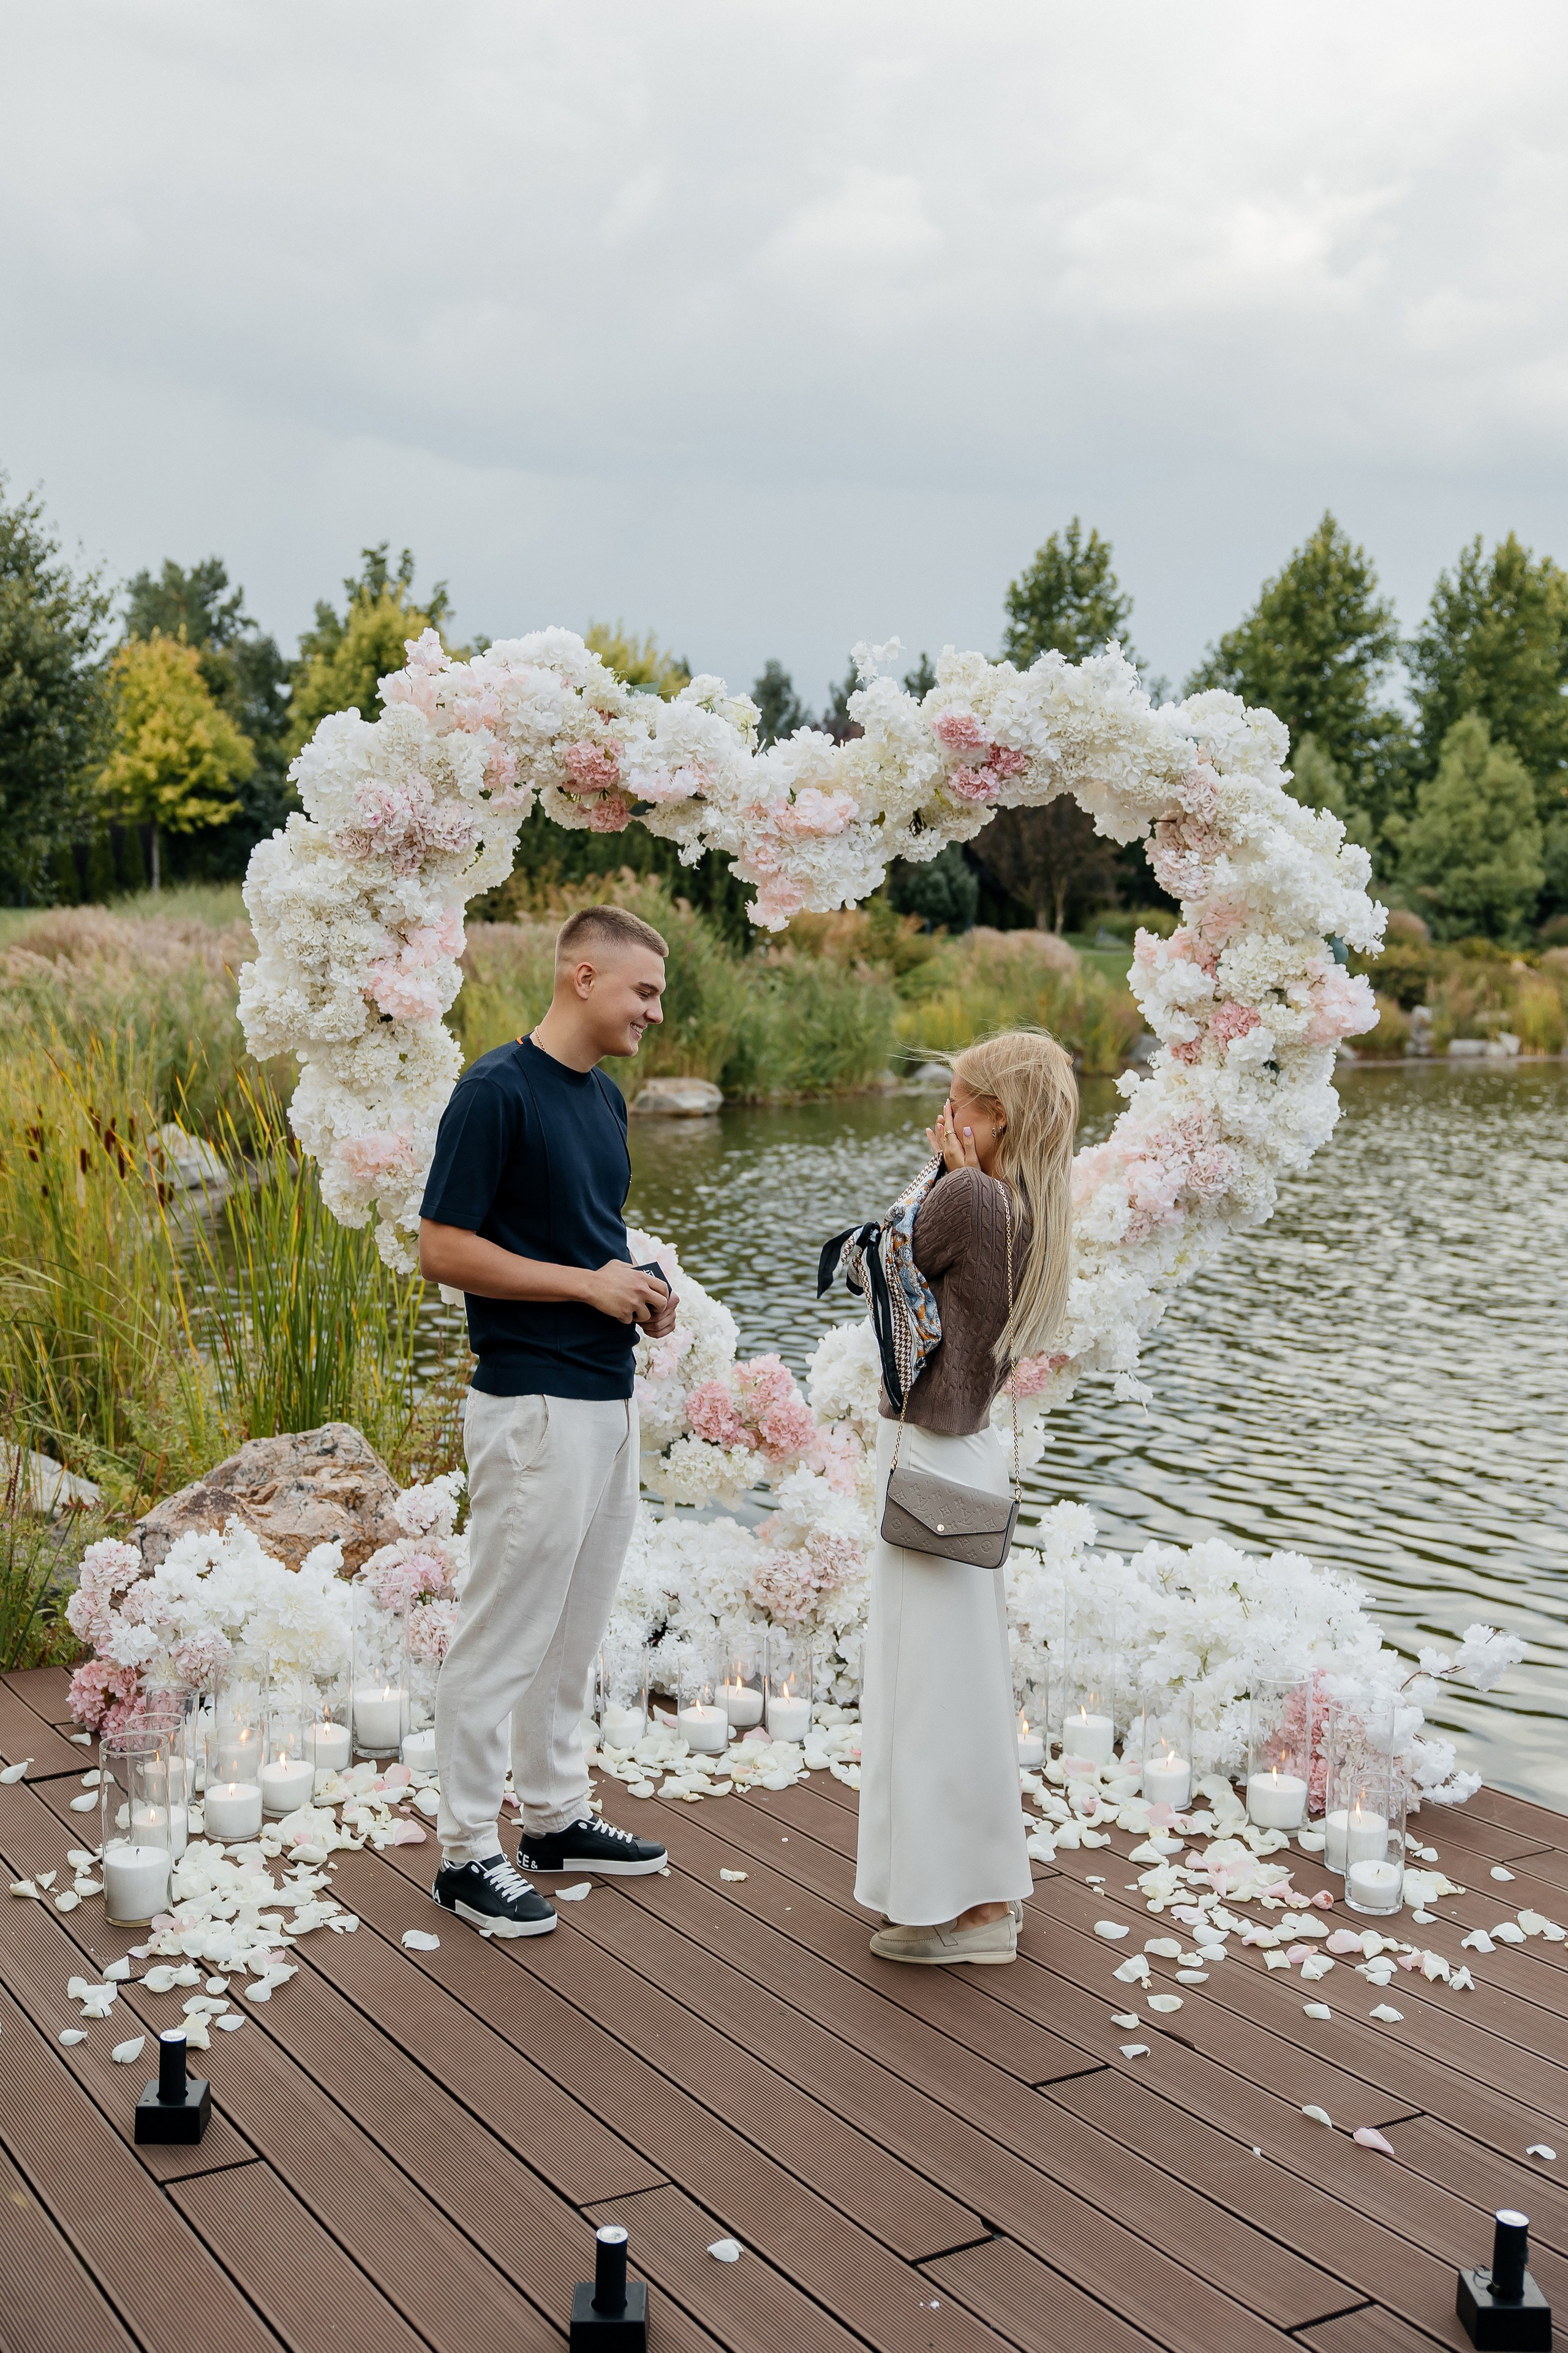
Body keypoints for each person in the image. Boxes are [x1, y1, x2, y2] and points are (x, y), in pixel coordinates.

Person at [417, 904, 679, 1938]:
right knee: (505, 1630)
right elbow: (441, 1248)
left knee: (573, 1627)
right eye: (643, 992)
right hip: (529, 1403)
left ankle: (557, 1817)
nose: (654, 1011)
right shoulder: (494, 1091)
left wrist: (642, 1284)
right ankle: (466, 1850)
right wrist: (585, 1285)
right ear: (581, 976)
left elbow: (590, 1233)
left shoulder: (604, 1099)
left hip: (607, 1399)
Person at [855, 1029, 1077, 1965]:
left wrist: (943, 1171)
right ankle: (979, 1895)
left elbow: (879, 1258)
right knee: (961, 1692)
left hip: (936, 1460)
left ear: (995, 1117)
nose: (942, 1116)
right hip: (966, 1456)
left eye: (959, 1102)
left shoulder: (974, 1195)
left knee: (933, 1695)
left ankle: (971, 1912)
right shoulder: (1014, 1199)